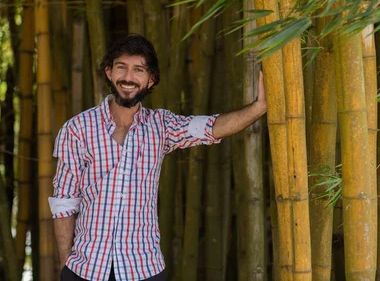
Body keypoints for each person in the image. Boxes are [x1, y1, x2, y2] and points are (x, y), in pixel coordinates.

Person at [49, 34, 267, 281]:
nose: (128, 77)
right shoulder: (77, 129)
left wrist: (258, 108)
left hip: (143, 268)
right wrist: (69, 266)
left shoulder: (160, 126)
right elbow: (64, 202)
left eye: (138, 70)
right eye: (121, 67)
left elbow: (211, 127)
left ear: (151, 80)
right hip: (86, 268)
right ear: (109, 72)